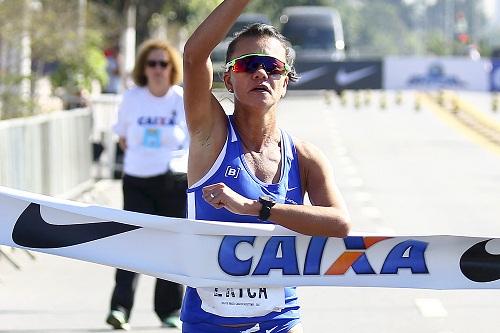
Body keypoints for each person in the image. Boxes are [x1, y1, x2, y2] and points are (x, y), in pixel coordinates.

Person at [181, 1, 351, 332]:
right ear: (228, 80)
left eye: (272, 66)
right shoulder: (210, 137)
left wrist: (256, 208)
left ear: (286, 82)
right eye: (248, 65)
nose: (261, 73)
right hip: (209, 323)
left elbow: (339, 223)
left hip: (280, 322)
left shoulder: (304, 157)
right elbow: (192, 57)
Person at [107, 38, 188, 330]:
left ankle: (169, 311)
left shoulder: (180, 99)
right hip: (138, 179)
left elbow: (190, 140)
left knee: (169, 246)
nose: (156, 69)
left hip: (173, 181)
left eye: (162, 64)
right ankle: (119, 308)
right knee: (131, 244)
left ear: (171, 68)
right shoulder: (133, 98)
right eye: (151, 63)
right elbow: (123, 137)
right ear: (144, 68)